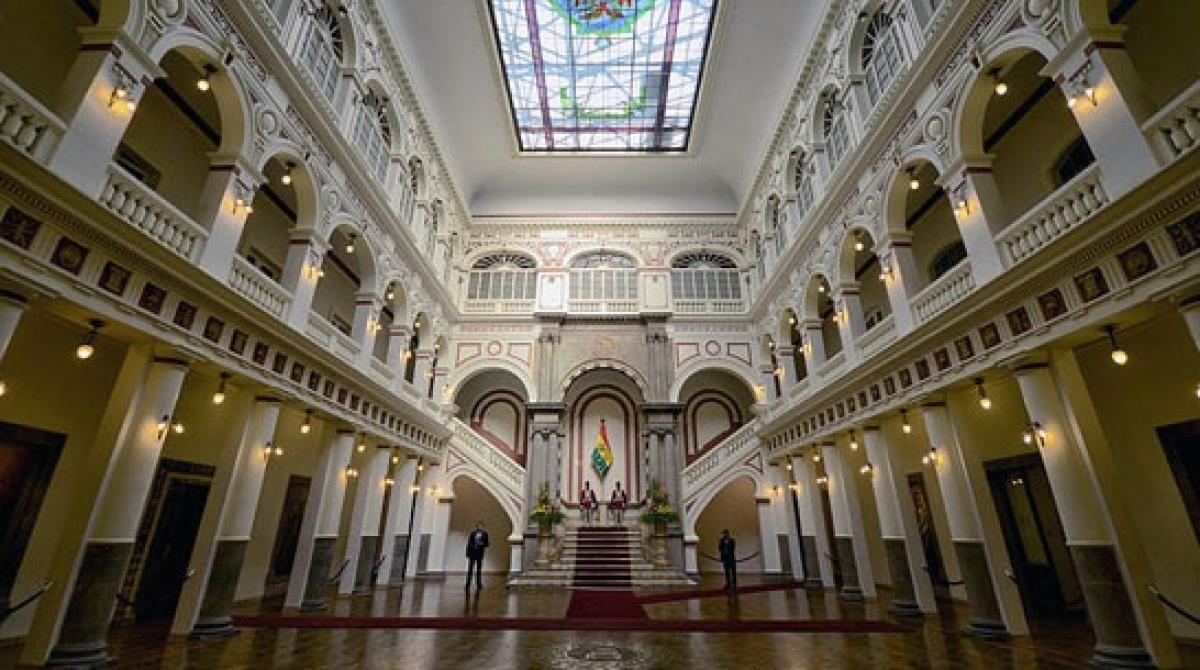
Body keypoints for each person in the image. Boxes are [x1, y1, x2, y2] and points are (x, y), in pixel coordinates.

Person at [465, 521, 489, 591]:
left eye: (481, 526)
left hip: (479, 553)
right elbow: (469, 543)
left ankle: (479, 584)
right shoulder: (472, 533)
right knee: (470, 569)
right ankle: (468, 583)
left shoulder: (485, 534)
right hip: (472, 553)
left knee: (479, 569)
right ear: (477, 526)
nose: (480, 527)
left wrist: (482, 544)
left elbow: (487, 544)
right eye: (478, 526)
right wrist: (468, 553)